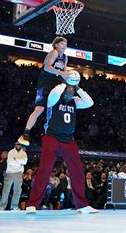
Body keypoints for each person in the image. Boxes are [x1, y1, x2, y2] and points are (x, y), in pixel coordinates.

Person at [25, 81, 98, 214]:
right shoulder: (53, 99)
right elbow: (54, 92)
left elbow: (90, 102)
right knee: (45, 170)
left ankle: (81, 205)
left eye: (72, 91)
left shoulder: (74, 101)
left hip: (68, 140)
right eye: (68, 90)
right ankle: (32, 204)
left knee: (77, 172)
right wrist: (66, 82)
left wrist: (78, 87)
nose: (70, 93)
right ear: (63, 89)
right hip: (51, 137)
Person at [18, 37, 69, 146]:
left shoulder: (65, 57)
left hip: (56, 84)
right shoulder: (54, 52)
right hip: (45, 84)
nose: (64, 45)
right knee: (39, 109)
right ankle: (25, 133)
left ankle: (53, 133)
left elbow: (64, 73)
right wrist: (61, 73)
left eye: (66, 44)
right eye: (62, 44)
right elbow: (47, 68)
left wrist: (70, 78)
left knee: (58, 108)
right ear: (56, 45)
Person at [0, 142, 28, 211]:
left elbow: (24, 162)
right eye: (16, 144)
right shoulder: (11, 152)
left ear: (21, 145)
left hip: (19, 173)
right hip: (10, 173)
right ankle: (2, 206)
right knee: (6, 190)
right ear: (15, 145)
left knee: (17, 191)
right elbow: (10, 162)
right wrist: (19, 162)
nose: (18, 145)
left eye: (19, 144)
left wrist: (16, 159)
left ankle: (14, 206)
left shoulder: (24, 153)